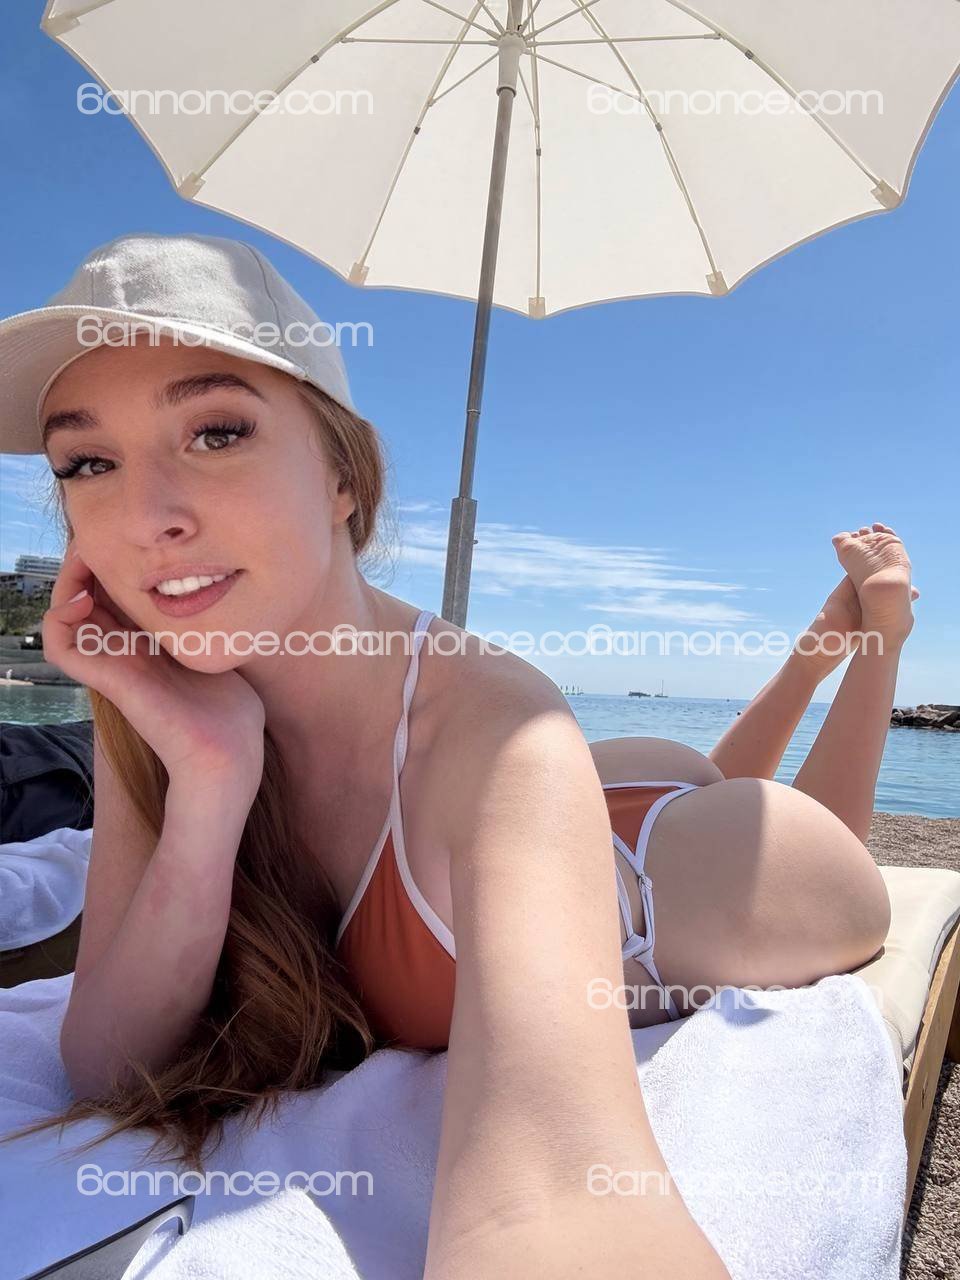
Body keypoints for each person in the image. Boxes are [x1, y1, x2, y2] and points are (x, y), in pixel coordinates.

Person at [0, 232, 913, 1279]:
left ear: (343, 477)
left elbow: (553, 1194)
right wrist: (211, 780)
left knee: (815, 843)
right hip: (540, 802)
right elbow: (110, 1063)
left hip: (705, 871)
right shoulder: (161, 712)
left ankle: (869, 637)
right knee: (659, 775)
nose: (147, 517)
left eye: (215, 432)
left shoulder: (491, 721)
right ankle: (815, 651)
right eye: (88, 462)